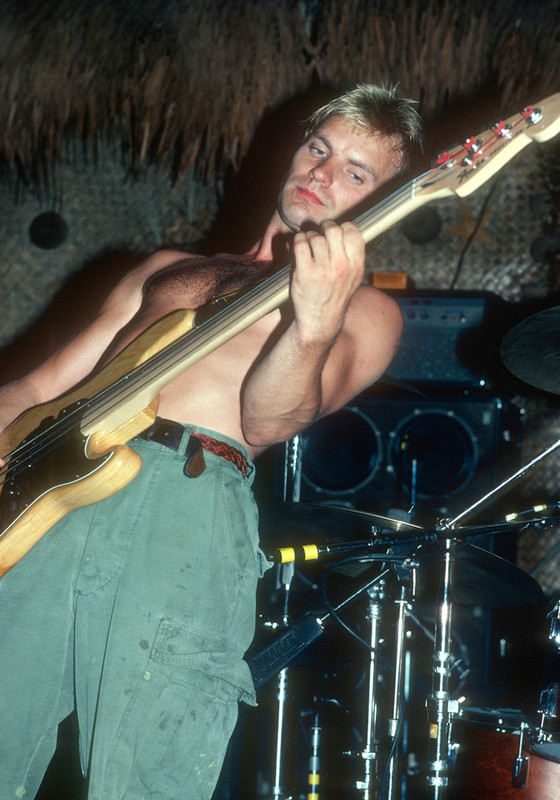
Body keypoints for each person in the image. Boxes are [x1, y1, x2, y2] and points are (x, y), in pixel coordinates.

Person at [0, 84, 423, 799]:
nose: (321, 174)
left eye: (355, 172)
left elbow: (267, 421)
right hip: (47, 498)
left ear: (385, 203)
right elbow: (39, 388)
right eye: (317, 149)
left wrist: (312, 326)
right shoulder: (164, 268)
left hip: (185, 506)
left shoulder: (367, 311)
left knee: (146, 775)